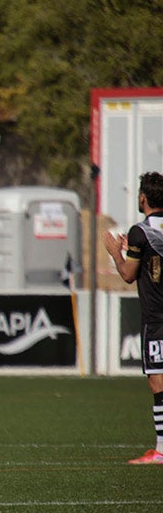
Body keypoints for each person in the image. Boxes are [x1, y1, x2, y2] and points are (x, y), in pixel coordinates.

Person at [103, 171, 163, 465]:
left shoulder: (140, 231)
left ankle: (161, 450)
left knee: (158, 382)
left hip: (157, 318)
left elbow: (128, 275)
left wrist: (117, 253)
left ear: (143, 198)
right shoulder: (144, 235)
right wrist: (132, 248)